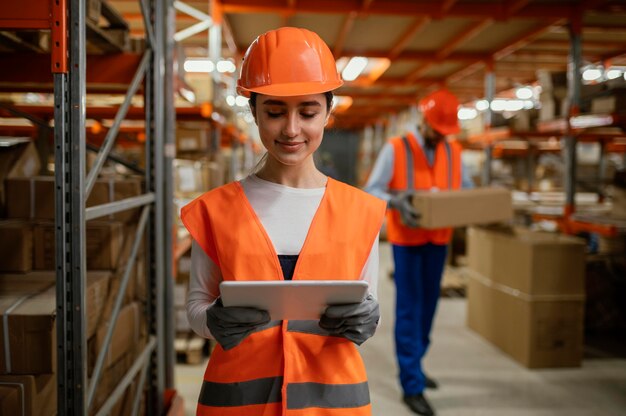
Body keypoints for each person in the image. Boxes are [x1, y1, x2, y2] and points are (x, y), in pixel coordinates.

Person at [181, 27, 386, 416]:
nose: (291, 129)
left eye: (308, 112)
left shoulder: (361, 211)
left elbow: (369, 301)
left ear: (328, 112)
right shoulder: (215, 210)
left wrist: (369, 318)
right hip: (237, 404)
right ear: (254, 111)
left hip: (332, 406)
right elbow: (197, 305)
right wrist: (213, 321)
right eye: (274, 112)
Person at [364, 89, 474, 416]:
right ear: (423, 121)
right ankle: (411, 384)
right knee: (410, 311)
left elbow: (465, 189)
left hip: (439, 241)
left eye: (446, 132)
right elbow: (372, 190)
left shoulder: (454, 151)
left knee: (428, 310)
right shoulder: (395, 148)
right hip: (407, 243)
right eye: (437, 130)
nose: (441, 137)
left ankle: (417, 365)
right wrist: (396, 201)